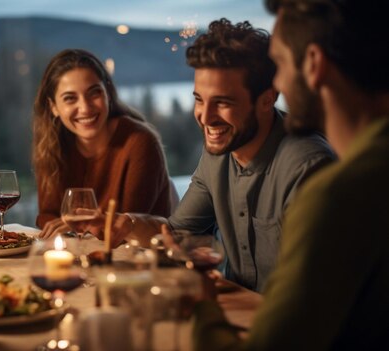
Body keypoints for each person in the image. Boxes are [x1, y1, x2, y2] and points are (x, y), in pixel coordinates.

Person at [184, 0, 389, 349]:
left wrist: (203, 308)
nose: (275, 82)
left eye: (278, 63)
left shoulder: (337, 192)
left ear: (313, 64)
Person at [88, 18, 335, 292]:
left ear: (267, 99)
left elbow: (316, 295)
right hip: (237, 312)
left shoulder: (309, 168)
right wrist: (129, 224)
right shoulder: (220, 151)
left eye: (223, 102)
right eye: (199, 99)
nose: (205, 117)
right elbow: (178, 233)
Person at [33, 49, 177, 239]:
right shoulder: (53, 144)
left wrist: (70, 224)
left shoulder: (140, 142)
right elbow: (47, 216)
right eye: (70, 98)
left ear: (108, 93)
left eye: (94, 93)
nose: (85, 107)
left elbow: (122, 229)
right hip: (81, 256)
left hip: (139, 261)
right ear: (53, 107)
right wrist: (69, 225)